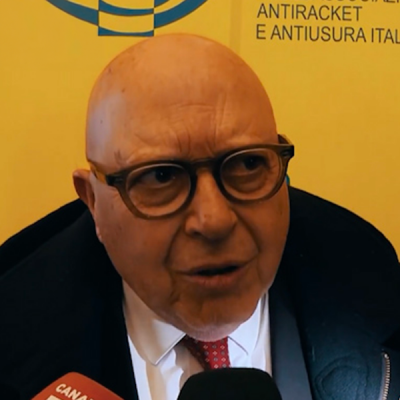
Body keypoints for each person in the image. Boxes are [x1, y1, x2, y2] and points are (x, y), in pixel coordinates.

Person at [0, 33, 399, 400]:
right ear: (93, 200)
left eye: (247, 165)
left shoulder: (372, 284)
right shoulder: (14, 329)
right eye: (161, 176)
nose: (214, 220)